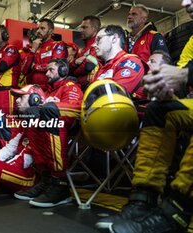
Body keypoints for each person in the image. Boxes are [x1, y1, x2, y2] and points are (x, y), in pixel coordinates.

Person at [95, 1, 193, 232]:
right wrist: (166, 83)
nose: (184, 3)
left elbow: (184, 72)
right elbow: (181, 70)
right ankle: (143, 201)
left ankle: (177, 213)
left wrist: (184, 74)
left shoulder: (152, 37)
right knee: (160, 110)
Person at [14, 59, 84, 208]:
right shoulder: (49, 90)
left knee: (49, 112)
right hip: (50, 125)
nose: (46, 73)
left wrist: (50, 107)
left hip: (69, 125)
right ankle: (46, 179)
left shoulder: (70, 87)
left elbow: (71, 112)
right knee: (31, 114)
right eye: (46, 70)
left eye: (51, 70)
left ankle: (60, 183)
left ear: (63, 71)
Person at [90, 25, 148, 99]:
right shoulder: (100, 67)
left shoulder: (131, 62)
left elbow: (115, 95)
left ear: (114, 38)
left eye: (99, 39)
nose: (94, 45)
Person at [21, 18, 67, 91]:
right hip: (32, 90)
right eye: (38, 28)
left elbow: (55, 68)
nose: (38, 31)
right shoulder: (35, 47)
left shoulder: (58, 45)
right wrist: (33, 50)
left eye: (42, 28)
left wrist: (35, 67)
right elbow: (24, 70)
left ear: (50, 31)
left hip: (49, 90)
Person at [69, 15, 101, 90]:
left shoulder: (98, 45)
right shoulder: (84, 49)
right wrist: (76, 62)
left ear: (94, 28)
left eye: (84, 27)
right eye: (81, 27)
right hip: (81, 86)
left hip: (92, 86)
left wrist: (75, 70)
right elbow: (72, 65)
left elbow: (88, 66)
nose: (81, 30)